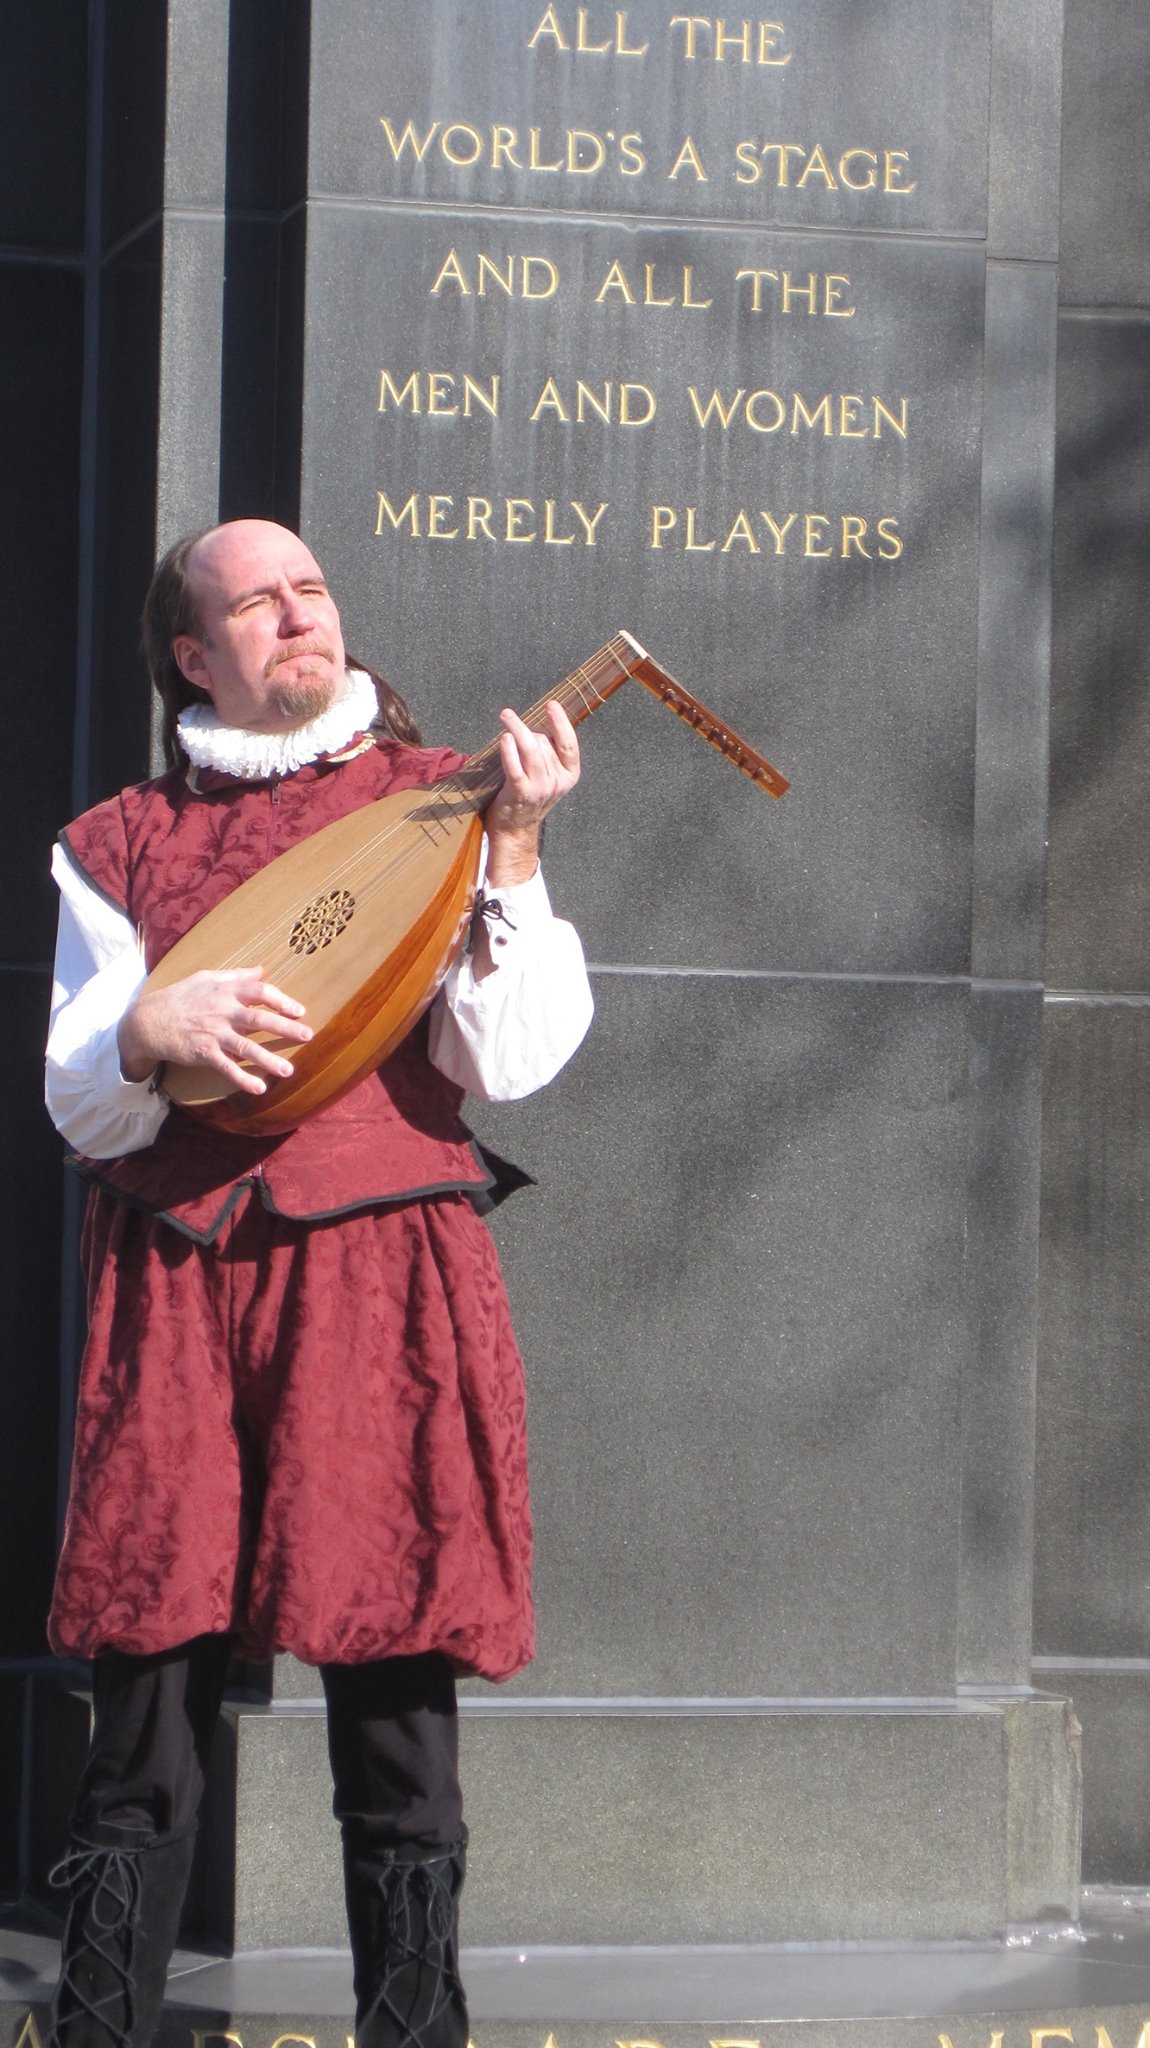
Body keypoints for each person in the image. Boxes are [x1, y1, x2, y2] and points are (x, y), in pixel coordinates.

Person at [43, 519, 593, 2048]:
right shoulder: (119, 842)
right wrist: (155, 1027)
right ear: (191, 653)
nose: (299, 616)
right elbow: (77, 1097)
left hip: (380, 1270)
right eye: (257, 602)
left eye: (312, 591)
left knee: (396, 1673)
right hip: (180, 1274)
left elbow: (515, 1056)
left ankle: (412, 2032)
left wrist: (520, 850)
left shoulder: (445, 802)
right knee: (146, 1676)